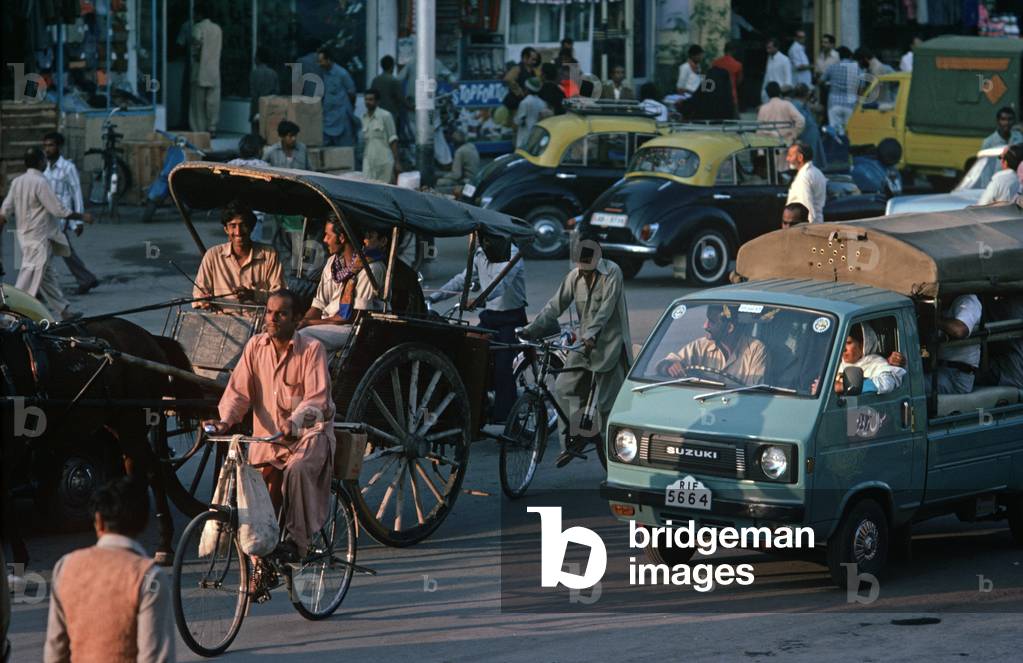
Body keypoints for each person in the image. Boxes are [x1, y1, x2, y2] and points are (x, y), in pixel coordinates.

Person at [205, 289, 336, 562]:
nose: (272, 319)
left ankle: (298, 544)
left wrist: (295, 422)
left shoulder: (312, 350)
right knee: (255, 499)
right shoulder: (255, 346)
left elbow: (317, 400)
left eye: (281, 314)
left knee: (297, 470)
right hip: (268, 440)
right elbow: (238, 393)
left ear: (296, 319)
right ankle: (258, 566)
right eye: (269, 312)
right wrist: (224, 422)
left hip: (308, 438)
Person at [519, 240, 632, 460]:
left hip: (610, 347)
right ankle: (575, 438)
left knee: (607, 407)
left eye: (588, 269)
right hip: (583, 346)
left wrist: (591, 334)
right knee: (563, 388)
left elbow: (605, 312)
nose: (585, 273)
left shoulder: (613, 273)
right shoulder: (574, 276)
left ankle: (617, 461)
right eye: (581, 267)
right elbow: (555, 306)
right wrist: (531, 330)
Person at [44, 477, 174, 663]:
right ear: (143, 523)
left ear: (99, 521)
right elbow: (154, 657)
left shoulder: (65, 567)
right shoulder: (149, 578)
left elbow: (55, 651)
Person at [429, 235, 527, 421]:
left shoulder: (512, 255)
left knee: (502, 369)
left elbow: (500, 284)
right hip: (489, 318)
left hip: (510, 319)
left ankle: (508, 421)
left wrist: (479, 299)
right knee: (470, 358)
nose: (481, 242)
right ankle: (475, 411)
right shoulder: (481, 254)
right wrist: (435, 297)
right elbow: (463, 279)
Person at [0, 148, 92, 321]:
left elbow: (4, 211)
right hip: (39, 238)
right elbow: (58, 210)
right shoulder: (40, 182)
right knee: (29, 275)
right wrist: (82, 216)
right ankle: (10, 317)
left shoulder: (17, 182)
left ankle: (64, 311)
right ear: (41, 162)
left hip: (24, 237)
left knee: (47, 275)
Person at [298, 222, 387, 353]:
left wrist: (308, 324)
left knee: (304, 336)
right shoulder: (332, 263)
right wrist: (301, 322)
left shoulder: (372, 268)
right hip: (327, 323)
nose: (324, 240)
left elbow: (352, 317)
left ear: (341, 238)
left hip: (351, 328)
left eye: (328, 235)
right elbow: (318, 305)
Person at [192, 201, 286, 308]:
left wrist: (254, 294)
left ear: (251, 227)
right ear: (226, 229)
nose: (238, 232)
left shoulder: (269, 255)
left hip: (258, 321)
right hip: (222, 320)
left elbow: (280, 296)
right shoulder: (212, 255)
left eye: (243, 225)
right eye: (233, 226)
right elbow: (198, 293)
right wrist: (204, 300)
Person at [42, 131, 99, 295]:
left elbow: (76, 194)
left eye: (51, 145)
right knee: (63, 250)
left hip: (62, 217)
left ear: (58, 147)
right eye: (45, 146)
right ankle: (86, 279)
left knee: (45, 253)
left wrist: (78, 221)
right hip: (47, 216)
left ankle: (37, 286)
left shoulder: (68, 168)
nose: (47, 149)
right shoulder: (45, 167)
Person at [656, 304, 767, 386]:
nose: (705, 326)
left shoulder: (756, 350)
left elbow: (754, 392)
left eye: (711, 322)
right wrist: (669, 366)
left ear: (729, 328)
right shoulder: (700, 346)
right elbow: (665, 364)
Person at [828, 323, 906, 395]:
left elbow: (886, 384)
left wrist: (843, 386)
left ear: (863, 344)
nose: (843, 349)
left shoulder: (878, 364)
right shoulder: (836, 365)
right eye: (841, 343)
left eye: (848, 343)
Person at [931, 294, 982, 394]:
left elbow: (960, 330)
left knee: (909, 387)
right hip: (940, 370)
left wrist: (933, 319)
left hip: (956, 376)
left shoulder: (968, 300)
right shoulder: (943, 303)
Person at [189, 1, 222, 134]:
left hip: (200, 71)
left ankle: (199, 131)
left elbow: (196, 47)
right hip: (214, 71)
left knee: (197, 105)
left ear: (199, 14)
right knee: (213, 103)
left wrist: (195, 54)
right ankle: (212, 128)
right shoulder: (217, 29)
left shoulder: (198, 27)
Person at [316, 47, 358, 147]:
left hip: (342, 117)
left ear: (328, 60)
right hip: (327, 118)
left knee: (345, 148)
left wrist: (349, 108)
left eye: (321, 61)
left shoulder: (342, 74)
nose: (319, 64)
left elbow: (352, 93)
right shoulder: (322, 73)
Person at [361, 88, 400, 184]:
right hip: (369, 162)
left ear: (377, 101)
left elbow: (393, 139)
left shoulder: (386, 116)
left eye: (371, 99)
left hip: (384, 162)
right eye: (366, 99)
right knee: (368, 189)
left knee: (384, 190)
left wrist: (397, 162)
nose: (368, 102)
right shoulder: (363, 117)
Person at [821, 47, 861, 134]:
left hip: (834, 103)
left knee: (835, 130)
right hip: (850, 104)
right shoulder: (856, 69)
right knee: (848, 131)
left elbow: (821, 80)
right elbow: (861, 86)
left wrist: (827, 86)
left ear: (839, 56)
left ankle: (836, 146)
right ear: (850, 56)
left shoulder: (832, 67)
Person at [786, 142, 827, 223]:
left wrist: (808, 229)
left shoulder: (804, 177)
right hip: (817, 222)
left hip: (806, 226)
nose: (787, 159)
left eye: (790, 156)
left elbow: (806, 207)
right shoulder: (816, 172)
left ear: (800, 157)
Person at [790, 84, 826, 169]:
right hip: (804, 139)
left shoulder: (803, 105)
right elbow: (800, 123)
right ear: (806, 94)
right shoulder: (797, 105)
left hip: (809, 139)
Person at [436, 131, 480, 195]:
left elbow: (456, 175)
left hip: (467, 181)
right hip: (474, 179)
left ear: (453, 142)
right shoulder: (471, 146)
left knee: (439, 182)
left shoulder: (460, 152)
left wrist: (443, 176)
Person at [249, 46, 278, 135]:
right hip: (270, 108)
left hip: (257, 107)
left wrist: (253, 113)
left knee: (256, 133)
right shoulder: (273, 73)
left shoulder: (255, 73)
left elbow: (253, 94)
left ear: (258, 58)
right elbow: (276, 92)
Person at [514, 78, 548, 149]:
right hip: (537, 137)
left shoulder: (525, 102)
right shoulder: (542, 103)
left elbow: (519, 120)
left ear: (527, 89)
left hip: (524, 137)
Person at [711, 41, 744, 110]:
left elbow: (711, 79)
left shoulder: (715, 63)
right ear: (734, 51)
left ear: (724, 50)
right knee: (733, 118)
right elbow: (739, 81)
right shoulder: (738, 65)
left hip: (717, 95)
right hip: (731, 95)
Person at [370, 55, 405, 120]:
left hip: (378, 114)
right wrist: (411, 106)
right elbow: (401, 99)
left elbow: (371, 98)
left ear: (381, 66)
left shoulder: (375, 80)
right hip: (391, 115)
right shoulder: (394, 81)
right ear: (392, 66)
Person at [761, 38, 792, 104]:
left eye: (770, 48)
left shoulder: (785, 60)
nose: (767, 50)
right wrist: (763, 92)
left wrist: (778, 93)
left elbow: (788, 82)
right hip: (768, 96)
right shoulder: (769, 58)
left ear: (776, 48)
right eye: (767, 48)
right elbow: (767, 76)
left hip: (780, 96)